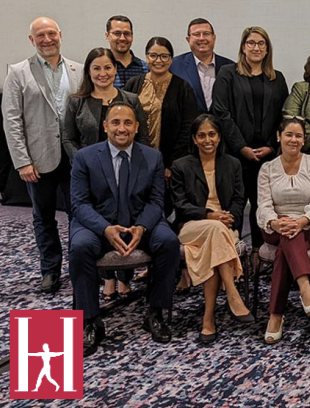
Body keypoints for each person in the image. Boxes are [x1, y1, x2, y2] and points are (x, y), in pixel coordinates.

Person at [69, 102, 180, 357]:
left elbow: (156, 201)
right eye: (116, 123)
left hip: (140, 224)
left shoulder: (152, 157)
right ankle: (90, 321)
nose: (122, 128)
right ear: (105, 126)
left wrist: (141, 227)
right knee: (80, 247)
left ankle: (155, 312)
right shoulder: (85, 157)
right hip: (97, 226)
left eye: (128, 123)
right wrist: (106, 228)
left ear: (137, 126)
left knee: (169, 242)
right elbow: (79, 204)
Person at [2, 17, 83, 293]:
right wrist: (22, 160)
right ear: (31, 40)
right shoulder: (18, 72)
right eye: (40, 35)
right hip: (38, 159)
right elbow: (11, 120)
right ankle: (50, 270)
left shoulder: (78, 70)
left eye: (51, 33)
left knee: (79, 215)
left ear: (60, 35)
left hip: (74, 158)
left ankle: (78, 267)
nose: (47, 39)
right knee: (43, 217)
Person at [62, 47, 150, 300]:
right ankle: (107, 278)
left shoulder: (130, 99)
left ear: (115, 69)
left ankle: (124, 276)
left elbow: (141, 138)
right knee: (96, 227)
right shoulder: (76, 101)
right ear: (88, 72)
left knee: (125, 221)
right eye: (96, 68)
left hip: (127, 175)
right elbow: (68, 138)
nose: (103, 73)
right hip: (89, 180)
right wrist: (83, 163)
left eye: (107, 67)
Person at [170, 114, 252, 344]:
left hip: (224, 228)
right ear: (194, 139)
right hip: (191, 227)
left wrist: (228, 217)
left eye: (212, 134)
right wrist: (209, 215)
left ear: (219, 137)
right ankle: (232, 293)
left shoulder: (232, 164)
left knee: (215, 243)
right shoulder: (181, 166)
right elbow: (181, 205)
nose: (208, 140)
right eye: (202, 135)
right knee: (215, 230)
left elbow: (238, 200)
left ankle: (208, 319)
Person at [212, 26, 288, 248]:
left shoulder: (277, 78)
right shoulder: (228, 74)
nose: (256, 47)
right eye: (251, 43)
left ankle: (258, 252)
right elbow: (221, 113)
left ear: (267, 49)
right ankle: (229, 255)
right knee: (232, 206)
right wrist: (241, 146)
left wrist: (271, 147)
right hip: (234, 155)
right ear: (243, 47)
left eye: (261, 43)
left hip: (266, 156)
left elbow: (281, 118)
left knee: (262, 206)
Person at [257, 117, 310, 344]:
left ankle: (275, 315)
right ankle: (305, 289)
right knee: (288, 233)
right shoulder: (267, 168)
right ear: (279, 136)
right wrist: (275, 222)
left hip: (308, 225)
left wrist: (302, 220)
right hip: (274, 226)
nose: (294, 140)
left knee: (286, 246)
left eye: (299, 136)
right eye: (289, 134)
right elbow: (264, 205)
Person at [124, 37, 198, 214]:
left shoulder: (183, 88)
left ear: (171, 59)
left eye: (164, 56)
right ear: (146, 57)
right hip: (134, 157)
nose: (158, 61)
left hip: (167, 162)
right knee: (133, 203)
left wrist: (171, 164)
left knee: (162, 206)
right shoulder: (134, 84)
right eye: (153, 55)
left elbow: (187, 128)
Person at [170, 18, 235, 113]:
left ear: (214, 37)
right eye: (196, 34)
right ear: (188, 39)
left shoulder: (230, 66)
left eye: (206, 34)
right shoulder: (174, 66)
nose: (202, 38)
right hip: (188, 126)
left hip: (222, 126)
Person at [105, 15, 148, 89]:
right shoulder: (101, 69)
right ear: (107, 36)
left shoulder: (145, 68)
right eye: (117, 33)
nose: (122, 38)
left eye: (127, 33)